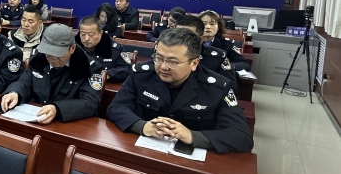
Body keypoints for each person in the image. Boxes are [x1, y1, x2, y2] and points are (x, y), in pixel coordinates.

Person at [106, 28, 253, 153]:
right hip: (145, 151)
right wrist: (142, 126)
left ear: (194, 63)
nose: (163, 66)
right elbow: (116, 107)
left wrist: (192, 136)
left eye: (173, 62)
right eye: (159, 58)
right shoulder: (141, 74)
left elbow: (241, 136)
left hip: (194, 161)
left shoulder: (218, 88)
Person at [0, 24, 100, 124]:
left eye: (58, 53)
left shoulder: (89, 67)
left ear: (72, 48)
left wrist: (57, 109)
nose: (52, 58)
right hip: (35, 118)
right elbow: (25, 83)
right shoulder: (38, 59)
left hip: (68, 124)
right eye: (48, 52)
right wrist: (15, 92)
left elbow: (90, 102)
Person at [176, 14, 239, 93]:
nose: (181, 40)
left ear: (201, 39)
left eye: (188, 37)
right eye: (177, 36)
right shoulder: (164, 54)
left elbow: (230, 88)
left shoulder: (218, 58)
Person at [75, 15, 132, 83]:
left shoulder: (115, 49)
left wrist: (108, 74)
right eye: (83, 34)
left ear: (101, 33)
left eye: (91, 34)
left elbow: (127, 69)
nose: (86, 38)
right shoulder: (73, 45)